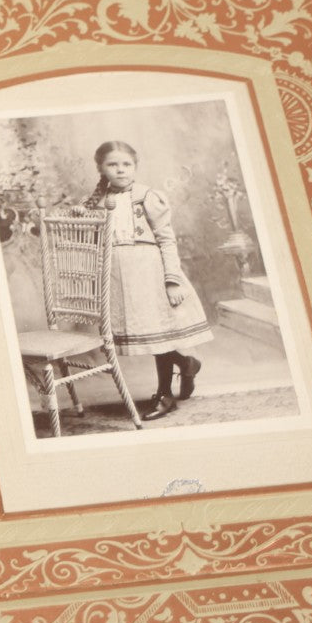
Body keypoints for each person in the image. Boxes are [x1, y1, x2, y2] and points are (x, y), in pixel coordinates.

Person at [74, 140, 212, 421]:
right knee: (145, 336)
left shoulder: (148, 196)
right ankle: (186, 362)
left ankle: (165, 394)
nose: (121, 170)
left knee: (158, 334)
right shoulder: (98, 201)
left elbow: (166, 239)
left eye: (127, 164)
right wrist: (81, 216)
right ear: (101, 168)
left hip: (149, 273)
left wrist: (171, 280)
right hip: (116, 276)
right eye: (113, 164)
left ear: (135, 167)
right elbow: (89, 240)